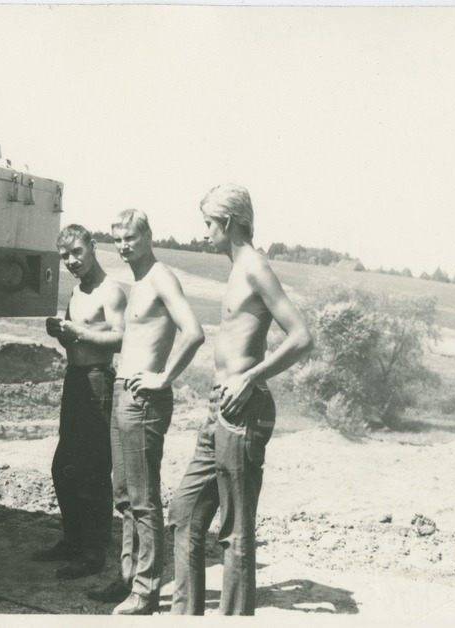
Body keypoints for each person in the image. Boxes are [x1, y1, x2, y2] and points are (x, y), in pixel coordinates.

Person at [168, 184, 313, 615]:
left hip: (243, 409)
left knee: (235, 531)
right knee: (184, 511)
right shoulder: (236, 269)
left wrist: (250, 377)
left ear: (228, 222)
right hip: (220, 407)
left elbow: (302, 337)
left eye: (209, 223)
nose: (205, 232)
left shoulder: (254, 267)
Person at [88, 209, 205, 615]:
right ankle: (128, 578)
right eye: (117, 239)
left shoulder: (160, 277)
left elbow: (194, 332)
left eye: (131, 238)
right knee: (124, 496)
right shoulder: (137, 281)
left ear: (149, 236)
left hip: (144, 399)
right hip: (123, 392)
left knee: (143, 499)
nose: (123, 246)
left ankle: (146, 590)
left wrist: (164, 377)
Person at [33, 224, 127, 579]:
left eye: (77, 253)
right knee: (64, 466)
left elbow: (121, 339)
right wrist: (61, 334)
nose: (71, 261)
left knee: (93, 468)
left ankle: (93, 551)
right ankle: (72, 540)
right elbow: (75, 342)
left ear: (93, 247)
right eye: (65, 256)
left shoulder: (110, 290)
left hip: (99, 380)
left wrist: (78, 332)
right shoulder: (77, 291)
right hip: (75, 379)